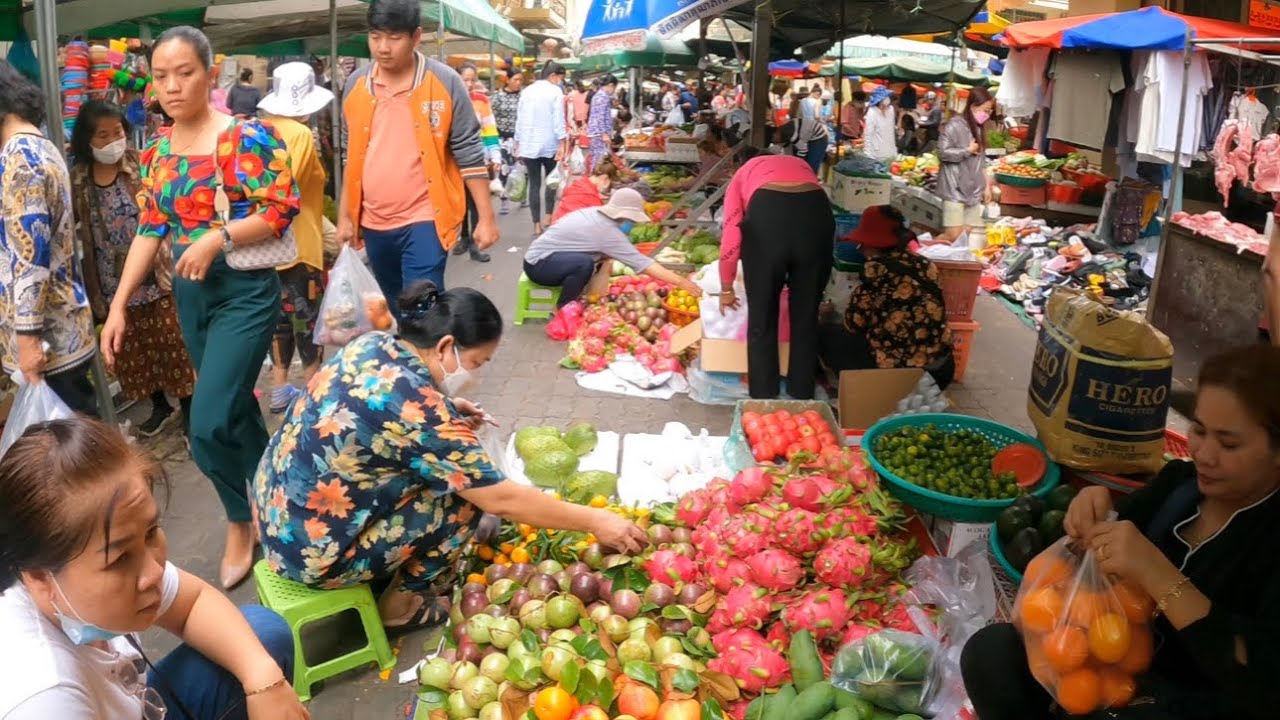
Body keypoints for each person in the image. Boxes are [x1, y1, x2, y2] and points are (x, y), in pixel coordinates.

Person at [255, 282, 649, 632]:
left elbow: (382, 415)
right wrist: (595, 520)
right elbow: (502, 499)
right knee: (464, 499)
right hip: (311, 556)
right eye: (476, 363)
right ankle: (400, 606)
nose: (476, 374)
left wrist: (446, 404)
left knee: (435, 474)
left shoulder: (371, 344)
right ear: (445, 347)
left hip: (276, 517)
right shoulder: (424, 414)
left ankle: (379, 568)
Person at [962, 344, 1280, 720]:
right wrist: (1096, 517)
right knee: (991, 655)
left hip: (1197, 702)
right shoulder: (1179, 486)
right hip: (1111, 668)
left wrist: (1160, 576)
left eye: (1229, 443)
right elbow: (1110, 549)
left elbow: (1263, 681)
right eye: (1198, 429)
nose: (1204, 454)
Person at [101, 26, 300, 590]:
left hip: (243, 290)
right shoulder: (159, 148)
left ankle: (242, 521)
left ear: (211, 75)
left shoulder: (245, 138)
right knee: (235, 411)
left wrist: (220, 237)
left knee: (209, 422)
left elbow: (282, 208)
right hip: (190, 296)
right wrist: (117, 306)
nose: (171, 86)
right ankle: (275, 496)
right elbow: (150, 226)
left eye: (184, 73)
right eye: (160, 76)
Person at [0, 417, 307, 720]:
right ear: (40, 577)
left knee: (261, 636)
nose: (154, 573)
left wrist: (264, 680)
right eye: (119, 559)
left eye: (150, 533)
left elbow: (193, 603)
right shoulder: (44, 698)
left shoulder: (73, 589)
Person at [338, 0, 499, 298]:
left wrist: (487, 218)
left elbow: (468, 150)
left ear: (415, 37)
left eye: (394, 37)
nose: (383, 47)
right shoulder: (356, 85)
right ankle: (422, 343)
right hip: (374, 221)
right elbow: (352, 156)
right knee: (397, 305)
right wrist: (346, 217)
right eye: (376, 37)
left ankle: (430, 342)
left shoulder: (444, 82)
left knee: (423, 306)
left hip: (426, 216)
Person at [70, 100, 195, 435]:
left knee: (173, 343)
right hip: (113, 281)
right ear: (87, 140)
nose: (113, 140)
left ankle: (189, 411)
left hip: (156, 272)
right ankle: (159, 407)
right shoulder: (79, 179)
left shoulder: (141, 165)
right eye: (103, 135)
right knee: (136, 350)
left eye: (118, 132)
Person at [0, 61, 99, 415]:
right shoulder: (41, 146)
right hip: (63, 325)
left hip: (48, 340)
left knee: (74, 453)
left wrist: (26, 339)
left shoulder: (18, 160)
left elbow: (30, 258)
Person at [718, 150, 834, 400]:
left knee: (762, 314)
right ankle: (802, 392)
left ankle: (763, 395)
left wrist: (726, 288)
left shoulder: (743, 174)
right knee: (805, 314)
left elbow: (731, 238)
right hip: (816, 214)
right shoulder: (801, 164)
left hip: (767, 218)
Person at [256, 62, 332, 415]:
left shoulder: (257, 130)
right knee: (307, 320)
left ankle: (280, 388)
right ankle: (316, 391)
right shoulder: (300, 135)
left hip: (263, 246)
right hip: (300, 244)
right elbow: (287, 186)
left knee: (279, 321)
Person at [818, 205, 954, 388]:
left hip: (902, 377)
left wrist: (825, 315)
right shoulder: (926, 265)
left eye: (861, 244)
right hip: (941, 369)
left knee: (829, 334)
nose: (860, 249)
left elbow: (853, 324)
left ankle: (863, 391)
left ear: (872, 245)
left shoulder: (875, 272)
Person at [525, 189, 702, 307]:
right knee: (584, 263)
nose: (631, 224)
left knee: (597, 259)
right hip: (539, 266)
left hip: (548, 258)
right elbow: (644, 264)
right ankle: (562, 308)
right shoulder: (606, 232)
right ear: (623, 215)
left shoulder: (598, 214)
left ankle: (584, 298)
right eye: (631, 220)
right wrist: (681, 282)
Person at [452, 63, 502, 264]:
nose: (470, 84)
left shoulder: (481, 100)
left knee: (475, 203)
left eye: (473, 79)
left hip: (476, 160)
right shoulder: (448, 98)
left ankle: (474, 244)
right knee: (460, 203)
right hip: (453, 162)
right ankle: (462, 238)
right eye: (466, 79)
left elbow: (489, 130)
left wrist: (495, 155)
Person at [515, 61, 569, 236]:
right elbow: (558, 120)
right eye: (561, 78)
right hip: (549, 143)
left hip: (529, 144)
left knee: (534, 184)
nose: (561, 82)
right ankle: (548, 217)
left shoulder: (527, 91)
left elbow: (520, 119)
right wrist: (562, 143)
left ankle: (536, 225)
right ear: (553, 76)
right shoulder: (555, 91)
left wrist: (518, 143)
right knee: (551, 181)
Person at [936, 86, 994, 246]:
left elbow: (981, 161)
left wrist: (987, 185)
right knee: (953, 235)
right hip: (954, 188)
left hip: (973, 190)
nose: (987, 115)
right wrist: (967, 150)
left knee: (965, 235)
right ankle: (922, 254)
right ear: (973, 106)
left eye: (989, 111)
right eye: (985, 110)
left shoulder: (979, 128)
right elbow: (942, 153)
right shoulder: (954, 125)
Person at [491, 72, 522, 216]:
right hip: (503, 138)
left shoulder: (523, 97)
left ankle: (522, 194)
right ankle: (504, 198)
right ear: (508, 80)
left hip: (520, 138)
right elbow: (490, 117)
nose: (518, 82)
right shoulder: (497, 97)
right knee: (504, 169)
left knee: (522, 169)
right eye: (515, 79)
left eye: (521, 80)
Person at [550, 162, 617, 225]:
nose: (605, 189)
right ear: (604, 179)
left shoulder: (580, 184)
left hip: (557, 224)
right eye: (608, 186)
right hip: (570, 231)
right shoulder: (592, 199)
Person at [779, 103, 830, 175]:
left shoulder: (791, 134)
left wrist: (798, 165)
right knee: (802, 166)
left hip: (819, 138)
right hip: (808, 136)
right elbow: (788, 154)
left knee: (810, 167)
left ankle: (810, 182)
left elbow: (803, 150)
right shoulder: (785, 136)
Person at [585, 74, 617, 172]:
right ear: (611, 85)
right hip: (599, 134)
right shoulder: (603, 97)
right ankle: (595, 180)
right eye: (614, 87)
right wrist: (604, 134)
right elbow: (600, 117)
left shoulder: (598, 95)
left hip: (596, 132)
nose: (614, 90)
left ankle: (594, 178)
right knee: (599, 160)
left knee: (597, 158)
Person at [863, 86, 898, 163]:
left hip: (890, 151)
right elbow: (868, 134)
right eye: (886, 97)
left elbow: (891, 131)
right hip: (877, 153)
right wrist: (868, 154)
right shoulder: (872, 112)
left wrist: (894, 150)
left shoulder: (890, 110)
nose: (888, 99)